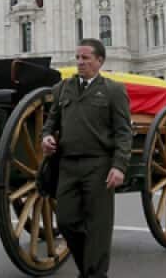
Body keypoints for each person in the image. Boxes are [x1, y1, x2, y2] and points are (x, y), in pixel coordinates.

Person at [41, 39, 132, 278]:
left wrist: (119, 166)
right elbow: (50, 123)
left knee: (99, 226)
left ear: (99, 61)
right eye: (78, 58)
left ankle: (95, 273)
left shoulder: (113, 90)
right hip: (68, 165)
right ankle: (88, 268)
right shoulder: (63, 89)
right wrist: (46, 137)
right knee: (66, 221)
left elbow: (124, 132)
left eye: (85, 58)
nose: (80, 63)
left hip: (99, 165)